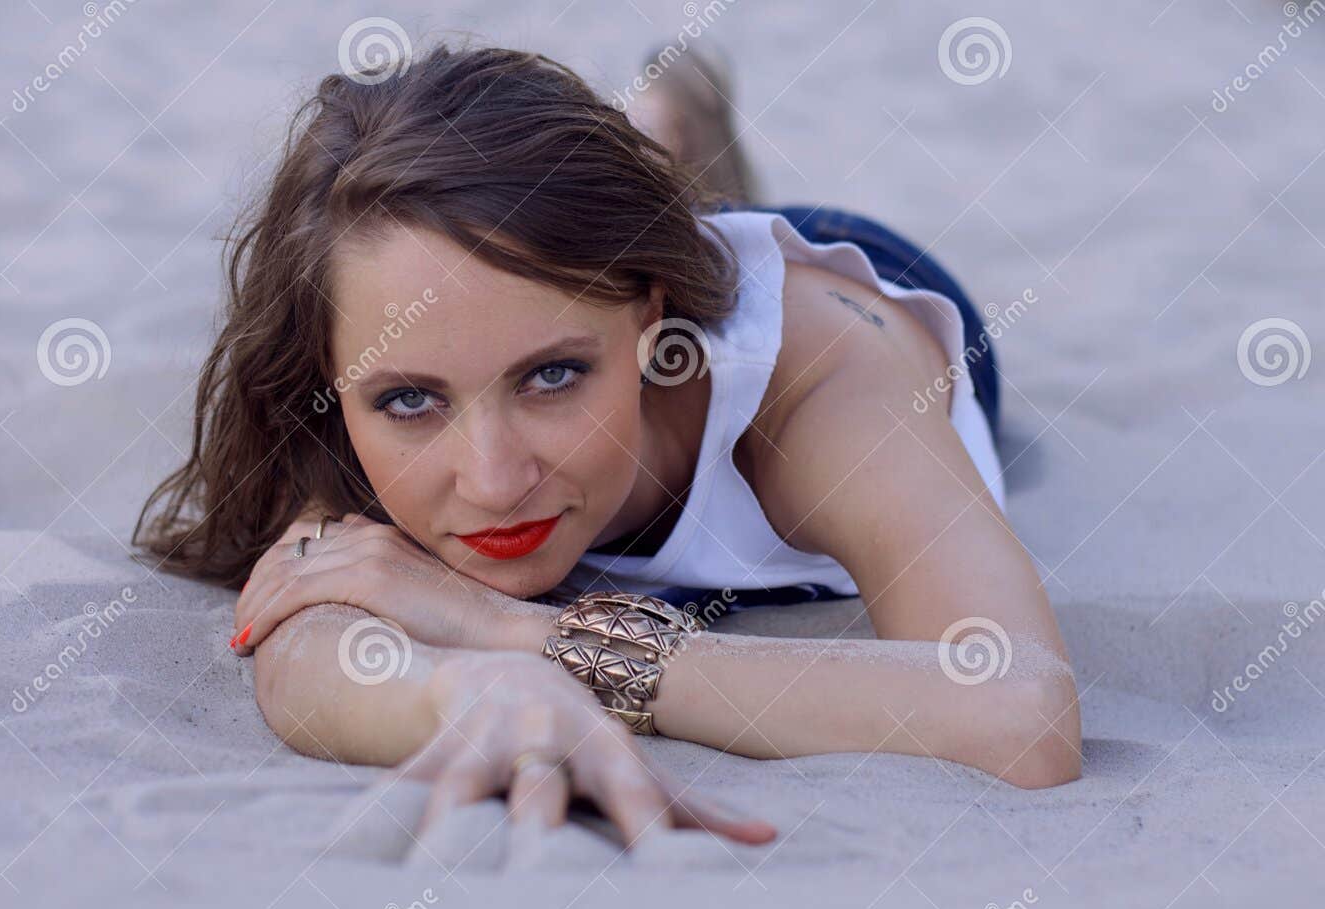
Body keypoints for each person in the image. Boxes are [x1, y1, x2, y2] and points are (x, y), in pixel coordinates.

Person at [133, 43, 1081, 850]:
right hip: (610, 275)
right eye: (411, 399)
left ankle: (671, 135)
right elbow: (306, 639)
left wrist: (530, 636)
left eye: (552, 377)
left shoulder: (817, 385)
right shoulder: (371, 368)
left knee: (658, 233)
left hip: (852, 288)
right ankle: (661, 144)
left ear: (649, 324)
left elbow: (1020, 710)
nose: (495, 480)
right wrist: (453, 697)